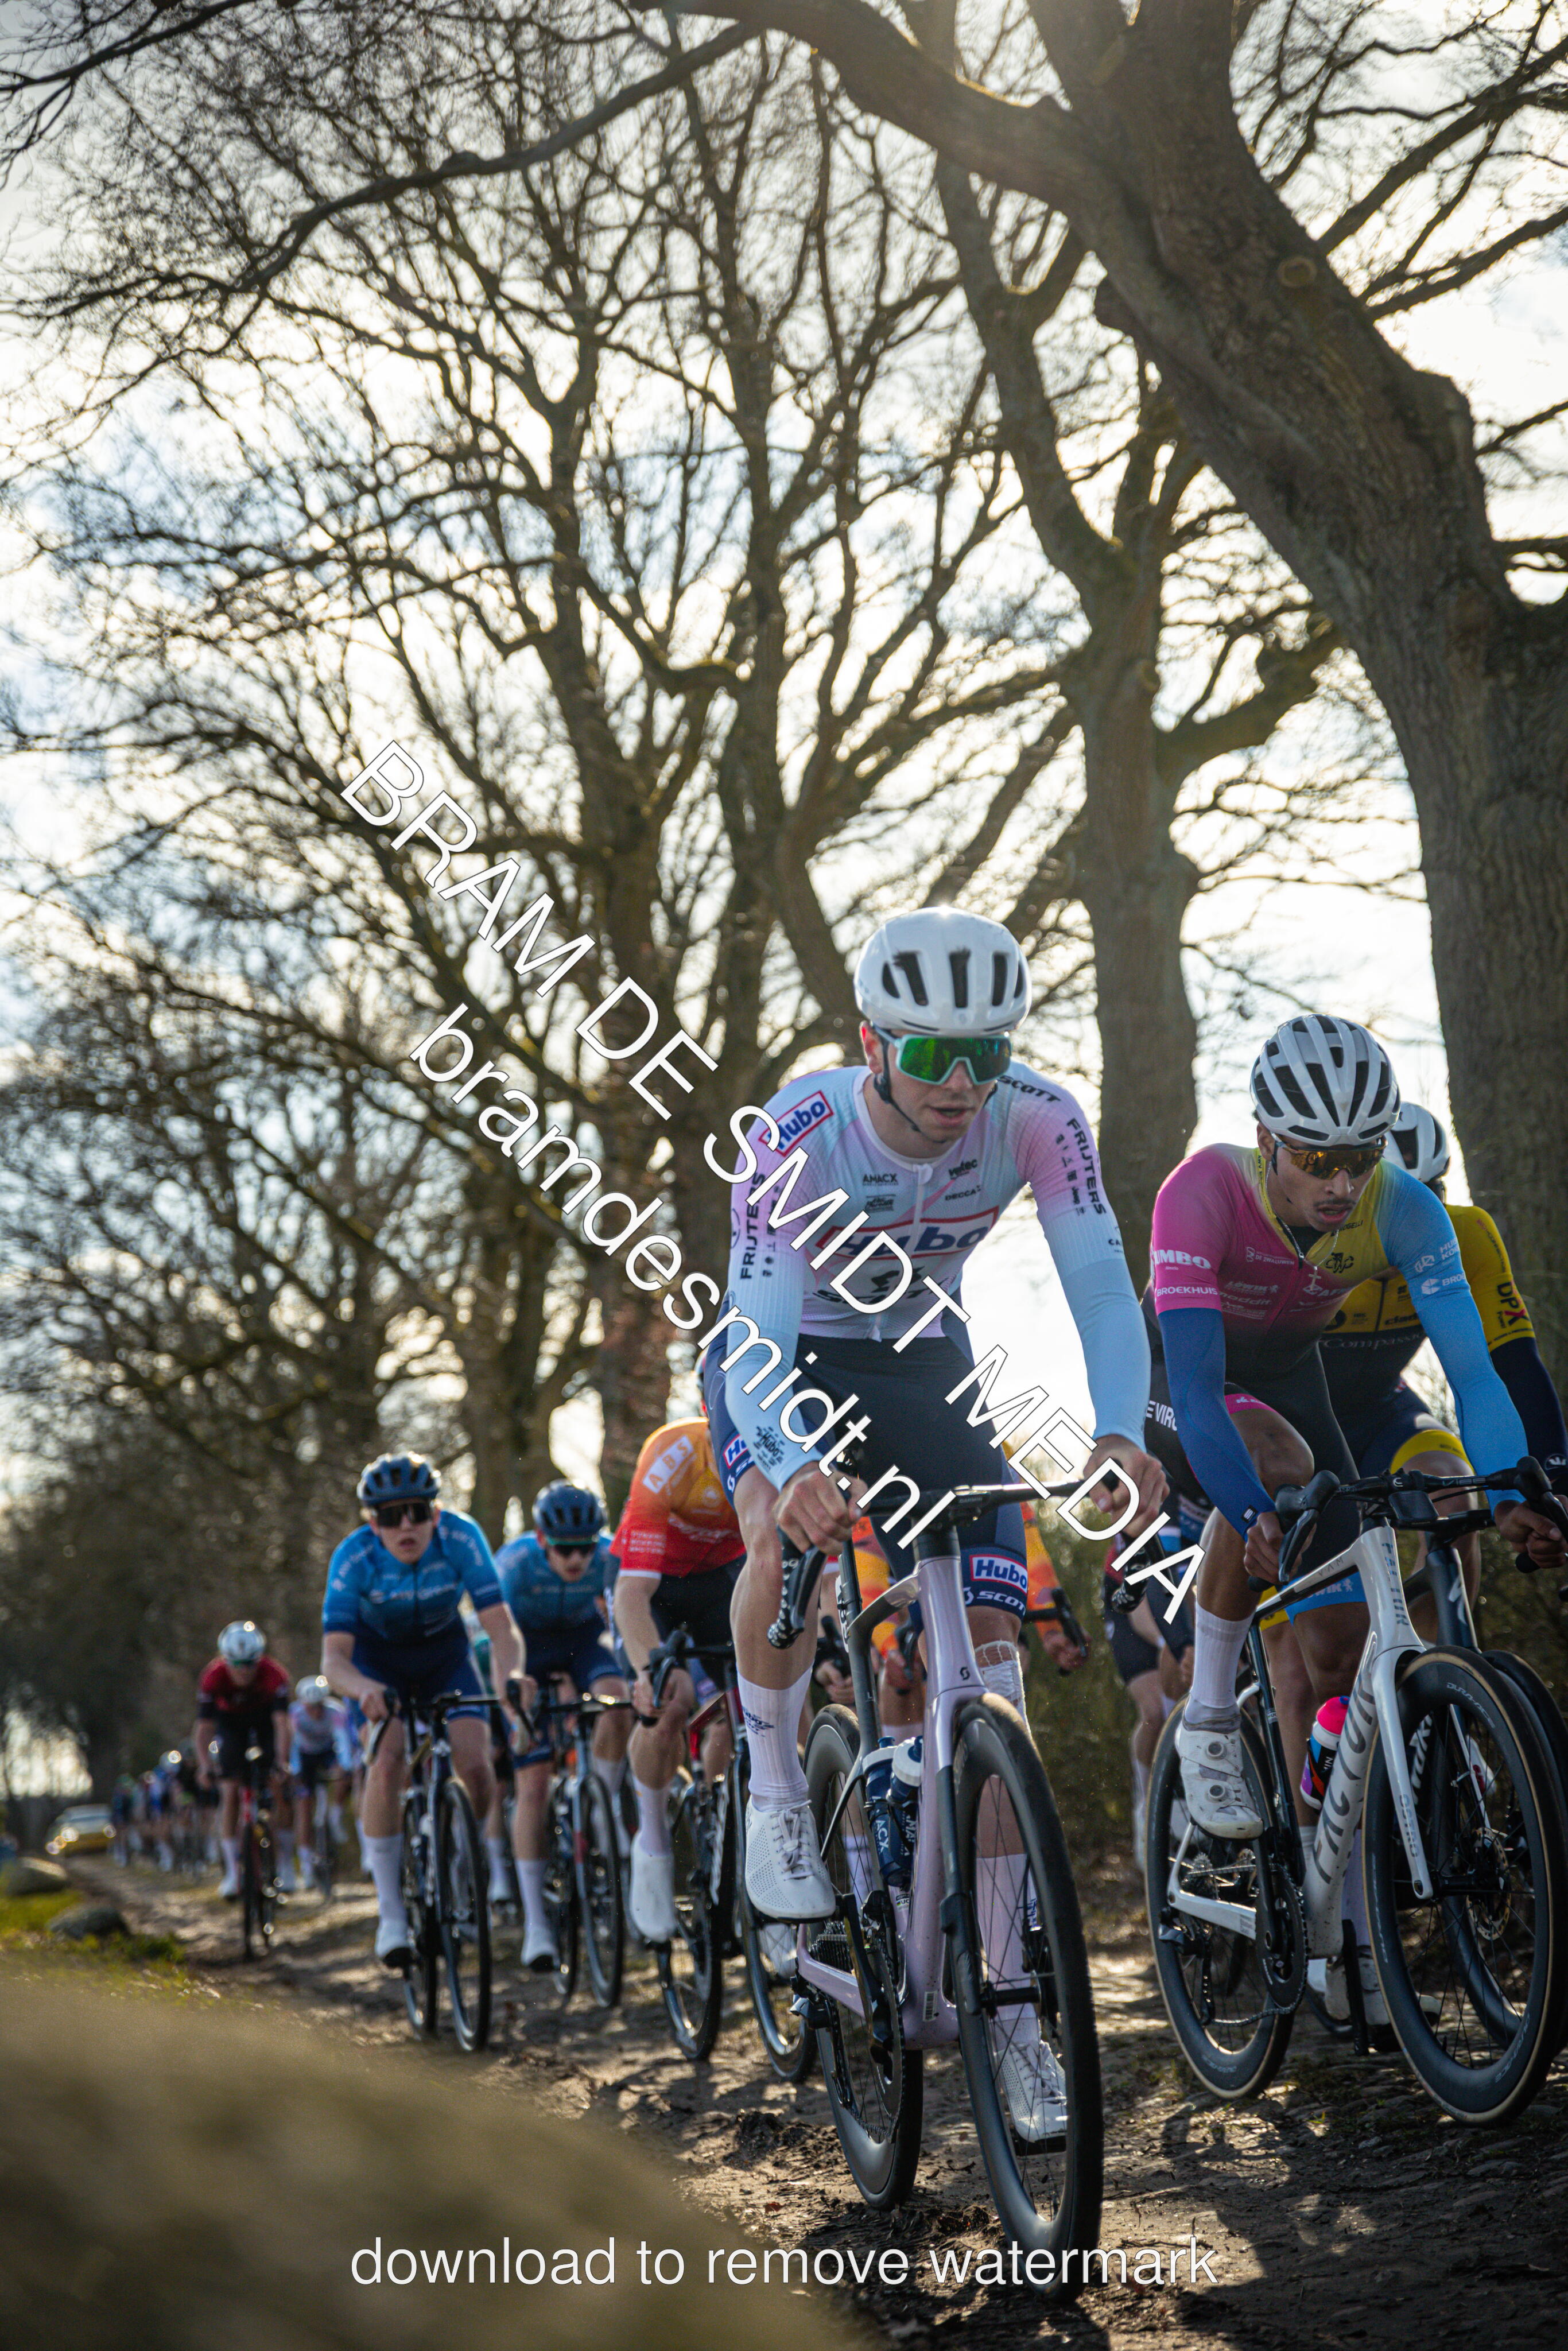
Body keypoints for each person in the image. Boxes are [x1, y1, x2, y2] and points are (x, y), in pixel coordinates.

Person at [705, 906, 1165, 2140]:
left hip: (923, 1363)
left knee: (991, 1675)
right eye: (929, 1057)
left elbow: (1099, 1285)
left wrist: (1117, 1429)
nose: (962, 1084)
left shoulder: (1041, 1117)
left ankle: (1011, 2018)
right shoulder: (796, 1131)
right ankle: (776, 1794)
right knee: (777, 1533)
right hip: (786, 1355)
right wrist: (794, 1463)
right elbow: (756, 1332)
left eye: (986, 1055)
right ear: (871, 1044)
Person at [1144, 1019, 1562, 1938]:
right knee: (1277, 1467)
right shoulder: (1202, 1191)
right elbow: (1202, 1395)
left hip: (1299, 1380)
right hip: (1185, 1380)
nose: (1342, 1183)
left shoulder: (1405, 1208)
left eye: (1361, 1158)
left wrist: (1508, 1495)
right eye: (1317, 1159)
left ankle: (1346, 1900)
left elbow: (1477, 1376)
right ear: (1266, 1138)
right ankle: (1208, 1718)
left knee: (1338, 1654)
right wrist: (1250, 1511)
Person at [1320, 1100, 1568, 1605]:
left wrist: (1553, 1488)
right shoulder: (1313, 1241)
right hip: (1297, 1422)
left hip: (1384, 1409)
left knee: (1455, 1497)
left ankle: (1442, 1653)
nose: (1410, 1225)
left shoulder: (1466, 1235)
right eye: (1386, 1208)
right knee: (1323, 1649)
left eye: (1428, 1200)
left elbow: (1512, 1367)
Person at [320, 1453, 523, 1967]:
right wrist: (363, 1689)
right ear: (373, 1523)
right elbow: (333, 1660)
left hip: (445, 1658)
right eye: (391, 1516)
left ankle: (458, 1852)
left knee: (477, 1766)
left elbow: (501, 1629)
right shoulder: (353, 1557)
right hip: (376, 1665)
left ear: (436, 1513)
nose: (406, 1526)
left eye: (417, 1512)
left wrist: (511, 1679)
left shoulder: (462, 1537)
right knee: (387, 1760)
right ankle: (391, 1914)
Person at [610, 1417, 748, 1947]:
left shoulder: (780, 1448)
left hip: (723, 1583)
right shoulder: (673, 1454)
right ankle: (652, 1845)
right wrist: (649, 1671)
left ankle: (733, 1832)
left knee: (766, 1701)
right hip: (655, 1587)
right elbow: (632, 1594)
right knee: (670, 1700)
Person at [494, 1481, 629, 1972]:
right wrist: (515, 1704)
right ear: (541, 1540)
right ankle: (536, 1925)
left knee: (618, 1698)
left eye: (585, 1548)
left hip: (583, 1642)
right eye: (565, 1549)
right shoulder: (513, 1563)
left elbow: (624, 1624)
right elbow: (498, 1637)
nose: (577, 1559)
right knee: (532, 1784)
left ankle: (603, 1804)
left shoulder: (610, 1556)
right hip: (523, 1646)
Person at [192, 1622, 294, 1898]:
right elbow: (204, 1729)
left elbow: (282, 1724)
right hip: (231, 1725)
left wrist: (282, 1761)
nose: (244, 1671)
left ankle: (284, 1865)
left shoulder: (275, 1674)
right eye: (237, 1664)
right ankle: (232, 1873)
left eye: (250, 1663)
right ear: (225, 1660)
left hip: (265, 1724)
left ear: (259, 1658)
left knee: (276, 1786)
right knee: (229, 1793)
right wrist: (205, 1766)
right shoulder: (213, 1677)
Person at [288, 1677, 355, 1887]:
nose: (316, 1712)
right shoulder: (295, 1714)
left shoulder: (336, 1712)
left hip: (328, 1752)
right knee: (304, 1807)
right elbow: (293, 1745)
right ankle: (306, 1865)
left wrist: (345, 1766)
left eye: (319, 1706)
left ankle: (336, 1815)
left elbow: (343, 1740)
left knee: (342, 1774)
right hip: (305, 1756)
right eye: (311, 1707)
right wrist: (296, 1771)